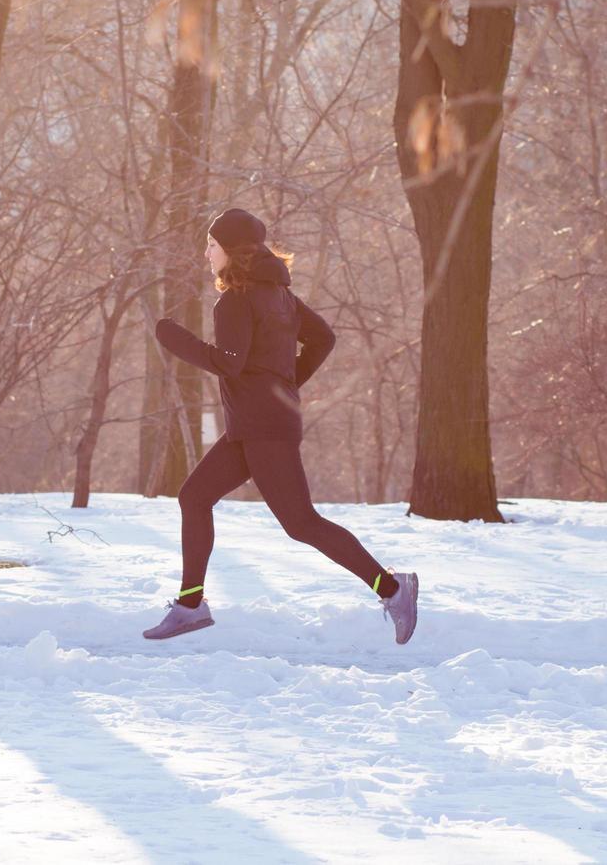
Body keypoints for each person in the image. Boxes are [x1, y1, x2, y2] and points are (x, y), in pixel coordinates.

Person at [143, 206, 419, 644]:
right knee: (194, 497)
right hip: (254, 425)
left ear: (231, 251)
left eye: (211, 245)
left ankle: (393, 588)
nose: (206, 253)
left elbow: (229, 363)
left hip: (263, 428)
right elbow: (323, 338)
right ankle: (190, 604)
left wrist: (171, 336)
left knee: (301, 523)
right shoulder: (280, 295)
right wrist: (284, 384)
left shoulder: (235, 299)